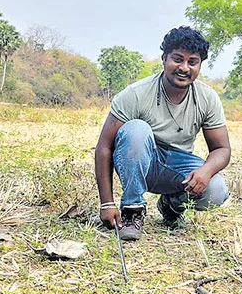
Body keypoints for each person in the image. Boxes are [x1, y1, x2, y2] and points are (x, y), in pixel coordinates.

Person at [95, 26, 231, 241]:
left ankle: (172, 204)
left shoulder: (207, 98)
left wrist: (205, 171)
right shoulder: (136, 94)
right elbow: (104, 146)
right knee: (136, 129)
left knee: (216, 191)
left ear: (199, 65)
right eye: (177, 59)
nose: (184, 68)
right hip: (139, 162)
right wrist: (107, 203)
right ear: (164, 59)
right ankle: (132, 211)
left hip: (176, 165)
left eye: (192, 62)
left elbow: (222, 149)